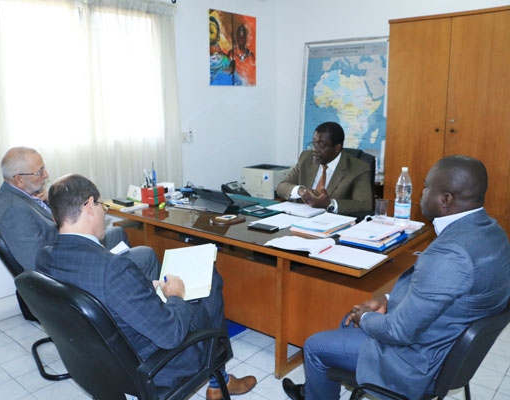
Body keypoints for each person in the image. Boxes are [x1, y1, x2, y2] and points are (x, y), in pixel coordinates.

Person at [282, 155, 510, 400]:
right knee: (348, 321)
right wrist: (388, 299)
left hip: (418, 360)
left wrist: (367, 317)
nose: (420, 193)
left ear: (446, 200)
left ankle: (317, 388)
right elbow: (446, 291)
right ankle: (319, 386)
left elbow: (400, 331)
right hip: (446, 341)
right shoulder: (492, 231)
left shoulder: (452, 253)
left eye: (426, 187)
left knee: (316, 345)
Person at [36, 173, 257, 399]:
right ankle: (219, 382)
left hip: (98, 365)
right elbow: (171, 335)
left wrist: (141, 287)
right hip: (153, 367)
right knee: (209, 280)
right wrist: (175, 297)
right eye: (102, 205)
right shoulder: (112, 270)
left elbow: (103, 296)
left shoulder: (44, 258)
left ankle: (220, 382)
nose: (104, 212)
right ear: (90, 206)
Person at [0, 146, 159, 280]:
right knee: (147, 254)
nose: (46, 175)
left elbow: (43, 225)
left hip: (69, 249)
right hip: (71, 266)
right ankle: (149, 309)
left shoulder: (17, 195)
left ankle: (127, 288)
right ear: (19, 179)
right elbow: (36, 264)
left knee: (118, 232)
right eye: (39, 172)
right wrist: (92, 257)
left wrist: (48, 200)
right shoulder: (13, 210)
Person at [276, 121, 373, 217]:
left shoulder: (358, 168)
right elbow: (282, 187)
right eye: (314, 144)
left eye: (321, 145)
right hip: (300, 218)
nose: (315, 149)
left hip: (332, 222)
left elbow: (364, 204)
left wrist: (329, 204)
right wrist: (301, 191)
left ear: (337, 148)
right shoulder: (306, 157)